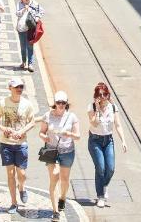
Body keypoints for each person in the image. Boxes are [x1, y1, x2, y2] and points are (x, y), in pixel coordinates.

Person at [0, 77, 36, 215]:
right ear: (10, 88)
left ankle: (22, 187)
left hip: (21, 144)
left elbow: (32, 122)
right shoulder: (2, 103)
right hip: (6, 144)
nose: (19, 89)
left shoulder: (27, 104)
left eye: (21, 87)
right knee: (10, 174)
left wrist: (21, 131)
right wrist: (3, 129)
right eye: (17, 87)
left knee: (21, 174)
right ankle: (13, 202)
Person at [39, 91, 80, 222]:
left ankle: (62, 197)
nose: (61, 105)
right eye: (58, 103)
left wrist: (68, 133)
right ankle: (55, 211)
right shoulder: (47, 116)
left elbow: (78, 136)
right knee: (54, 177)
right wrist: (44, 137)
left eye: (63, 103)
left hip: (67, 151)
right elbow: (41, 132)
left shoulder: (72, 117)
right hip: (52, 151)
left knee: (65, 180)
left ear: (66, 103)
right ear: (54, 103)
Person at [87, 82, 127, 208]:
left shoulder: (113, 107)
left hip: (108, 141)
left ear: (108, 95)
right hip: (95, 141)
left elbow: (118, 125)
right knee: (101, 168)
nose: (103, 97)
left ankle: (104, 185)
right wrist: (98, 109)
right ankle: (100, 196)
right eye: (100, 94)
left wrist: (123, 141)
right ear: (96, 96)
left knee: (110, 168)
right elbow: (94, 124)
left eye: (105, 94)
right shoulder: (91, 107)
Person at [16, 0, 44, 72]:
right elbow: (17, 13)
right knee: (23, 47)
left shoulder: (34, 3)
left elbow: (41, 11)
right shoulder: (19, 4)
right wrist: (24, 9)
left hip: (31, 28)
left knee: (30, 46)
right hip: (21, 28)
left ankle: (30, 64)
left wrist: (37, 17)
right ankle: (23, 62)